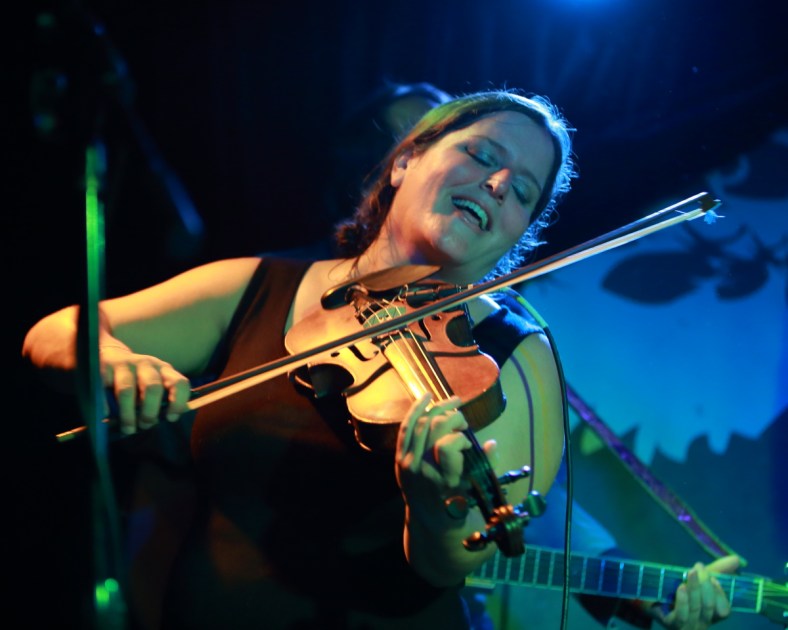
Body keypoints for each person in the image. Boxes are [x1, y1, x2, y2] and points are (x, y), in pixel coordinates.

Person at [23, 89, 575, 629]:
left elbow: (451, 562)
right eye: (481, 155)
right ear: (405, 161)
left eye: (523, 192)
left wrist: (435, 512)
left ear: (518, 236)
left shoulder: (518, 356)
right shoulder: (259, 285)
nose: (498, 184)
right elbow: (56, 333)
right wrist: (111, 360)